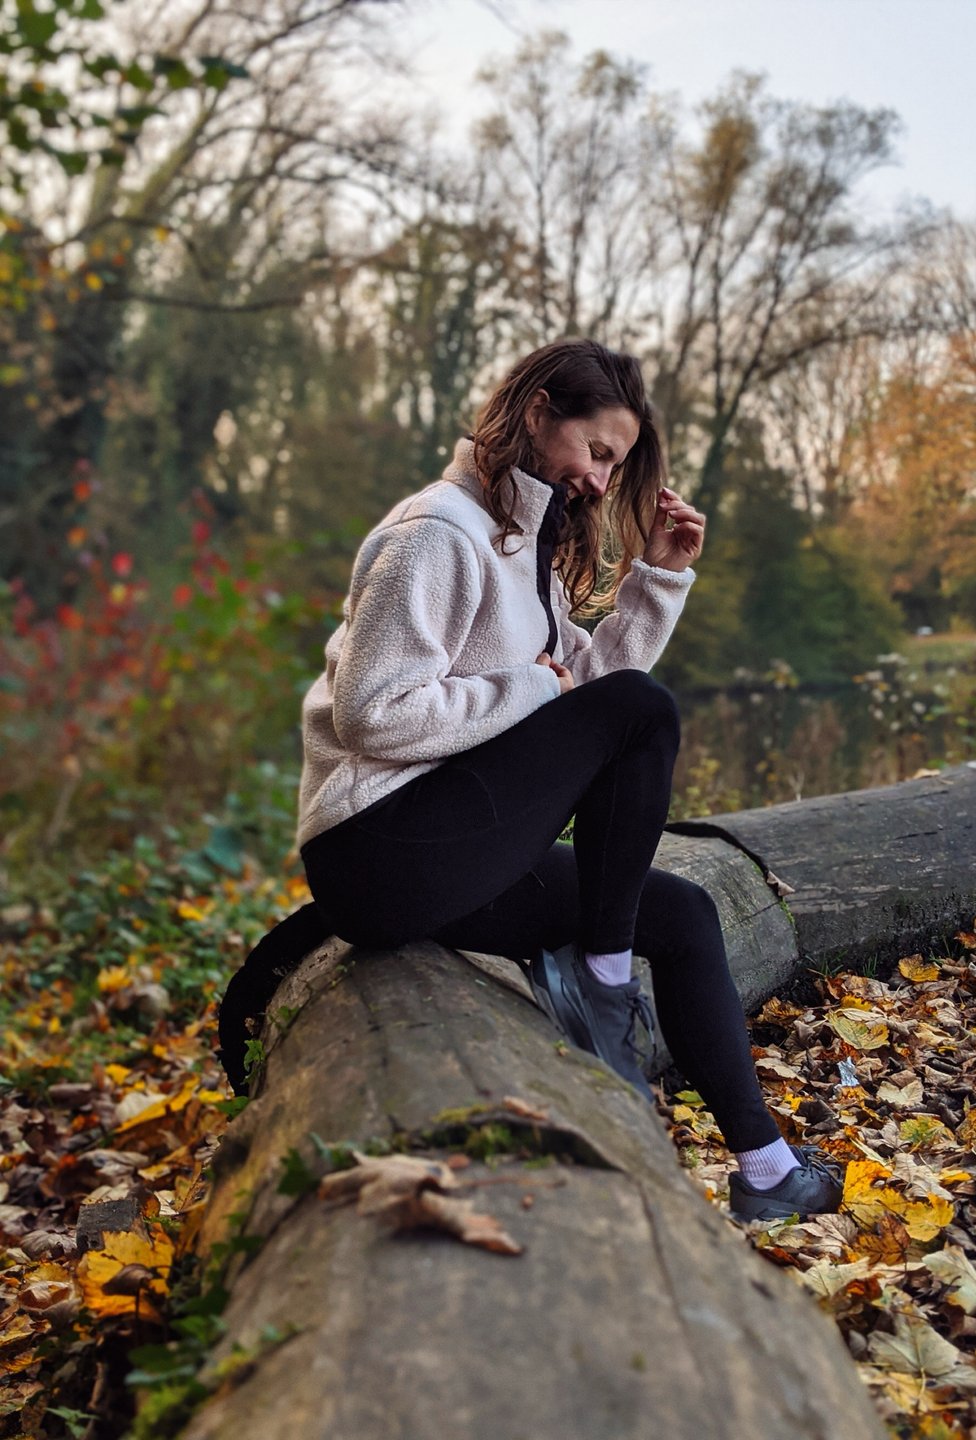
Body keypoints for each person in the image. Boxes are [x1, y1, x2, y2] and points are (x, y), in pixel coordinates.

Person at [217, 338, 842, 1222]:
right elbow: (371, 711)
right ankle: (601, 973)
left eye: (616, 466)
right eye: (597, 453)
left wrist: (656, 579)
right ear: (541, 411)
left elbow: (583, 700)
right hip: (381, 846)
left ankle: (769, 1170)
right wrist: (528, 688)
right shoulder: (436, 530)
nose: (600, 479)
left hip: (455, 846)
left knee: (686, 913)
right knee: (646, 712)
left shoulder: (526, 552)